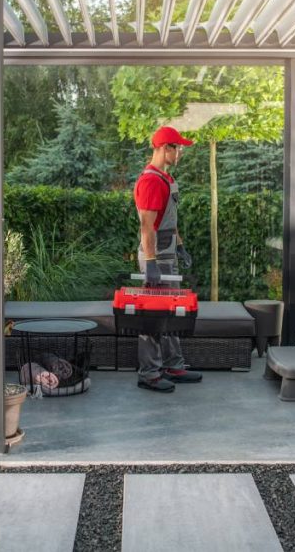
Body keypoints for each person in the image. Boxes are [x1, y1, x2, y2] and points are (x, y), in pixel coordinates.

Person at [133, 126, 204, 392]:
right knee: (152, 316)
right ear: (165, 149)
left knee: (172, 314)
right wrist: (150, 264)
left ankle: (173, 365)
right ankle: (149, 373)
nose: (181, 152)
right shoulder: (150, 181)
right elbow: (147, 226)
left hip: (168, 254)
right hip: (157, 258)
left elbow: (169, 221)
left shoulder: (166, 178)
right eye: (178, 147)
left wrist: (181, 246)